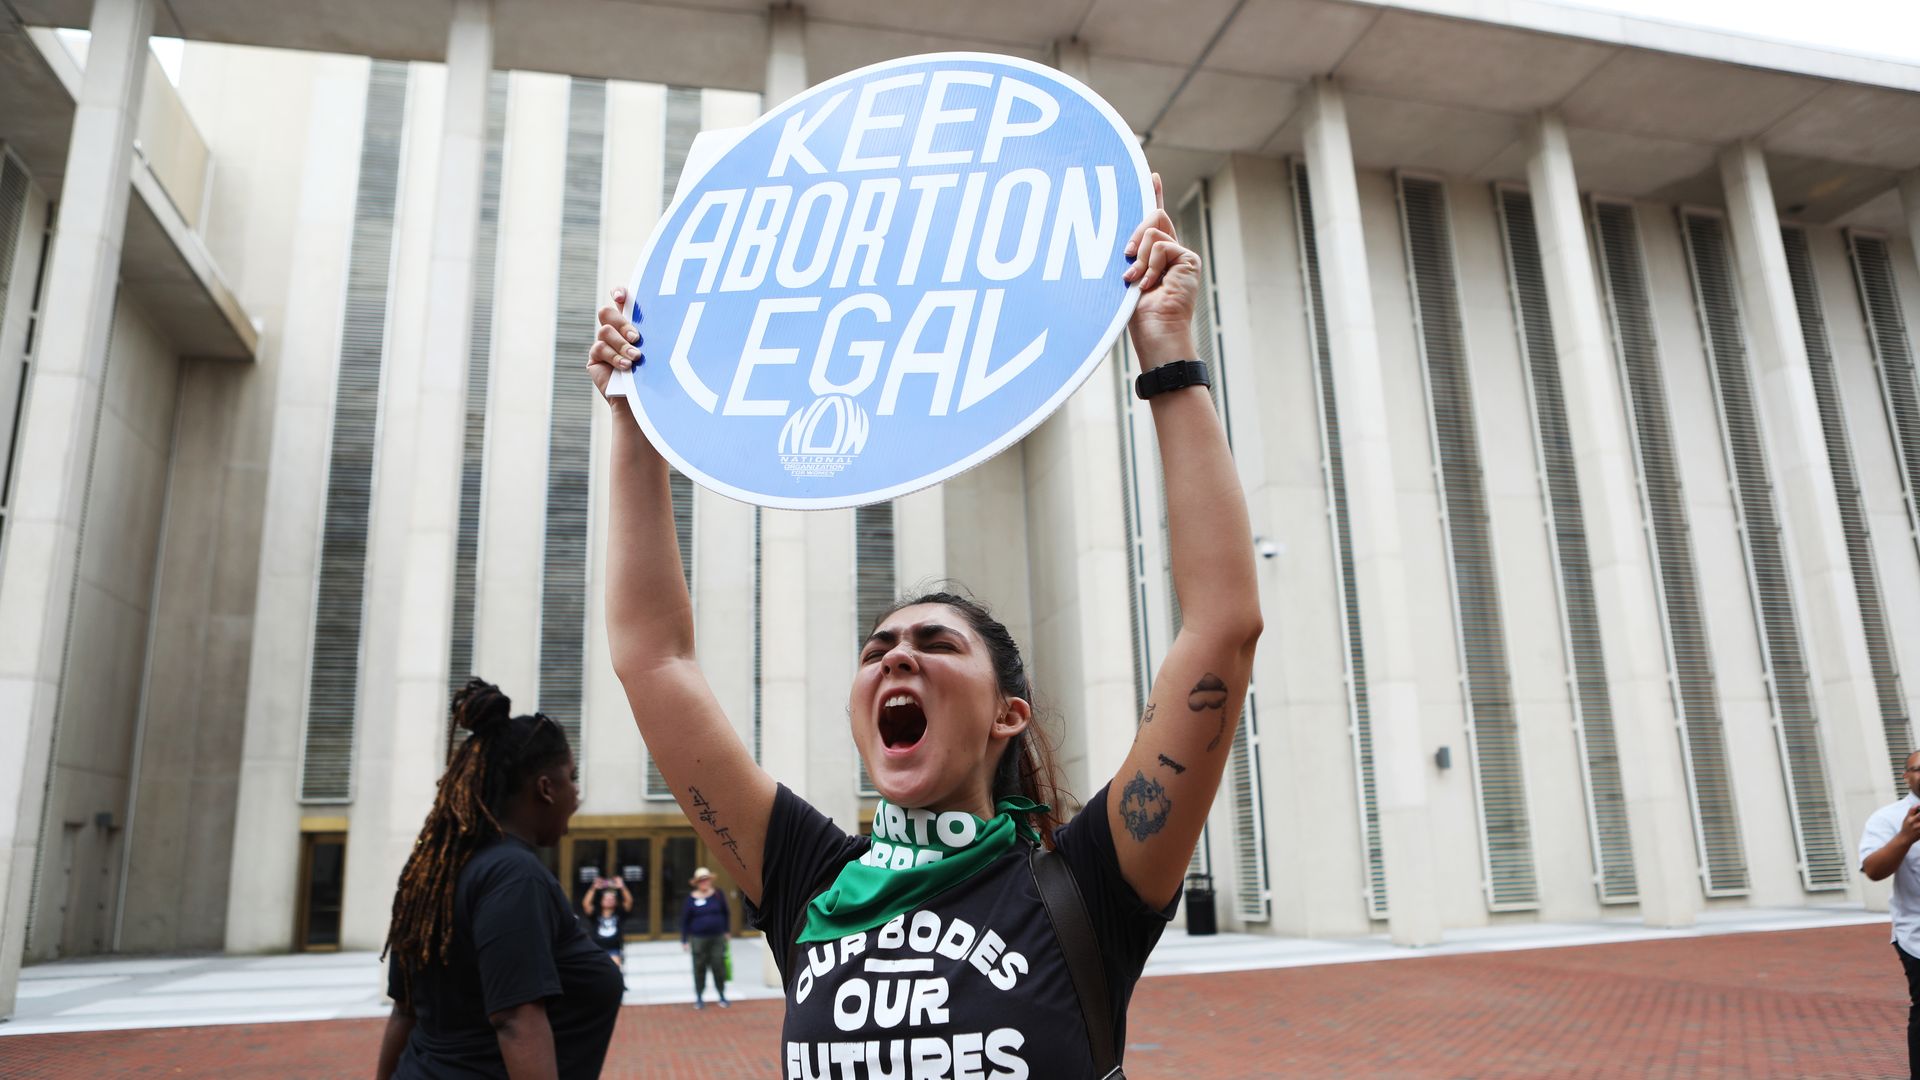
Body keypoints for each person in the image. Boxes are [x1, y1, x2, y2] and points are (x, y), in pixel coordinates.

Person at [586, 174, 1261, 1077]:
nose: (895, 653)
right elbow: (653, 658)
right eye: (876, 650)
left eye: (935, 643)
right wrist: (638, 416)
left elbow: (1221, 627)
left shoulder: (1089, 883)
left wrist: (1167, 350)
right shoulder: (810, 882)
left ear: (1007, 713)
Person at [375, 679, 625, 1080]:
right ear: (545, 788)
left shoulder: (432, 875)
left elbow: (403, 1013)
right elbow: (516, 1021)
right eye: (571, 777)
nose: (576, 793)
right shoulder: (514, 875)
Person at [1861, 749, 1920, 1079]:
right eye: (1919, 769)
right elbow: (1873, 870)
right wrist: (1905, 837)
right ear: (1906, 776)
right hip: (1917, 934)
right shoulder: (1887, 818)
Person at [680, 867, 732, 1009]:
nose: (705, 882)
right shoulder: (691, 899)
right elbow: (685, 921)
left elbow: (726, 913)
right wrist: (684, 940)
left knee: (718, 966)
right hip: (698, 938)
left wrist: (727, 931)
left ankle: (721, 994)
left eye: (706, 879)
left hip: (717, 937)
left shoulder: (718, 894)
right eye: (701, 880)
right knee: (699, 967)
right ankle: (699, 996)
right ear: (697, 882)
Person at [581, 875, 633, 968]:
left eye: (612, 899)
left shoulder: (619, 914)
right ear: (601, 901)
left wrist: (622, 886)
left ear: (616, 902)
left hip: (614, 950)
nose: (609, 900)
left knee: (614, 966)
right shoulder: (596, 914)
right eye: (606, 898)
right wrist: (593, 888)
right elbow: (586, 904)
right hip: (596, 949)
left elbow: (629, 901)